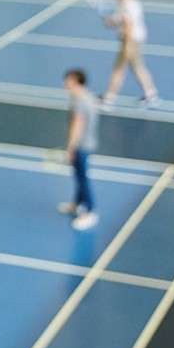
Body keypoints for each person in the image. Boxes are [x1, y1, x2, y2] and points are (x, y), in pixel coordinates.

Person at [101, 0, 159, 109]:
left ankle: (109, 99)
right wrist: (109, 21)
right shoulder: (131, 3)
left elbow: (128, 25)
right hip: (136, 39)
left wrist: (127, 45)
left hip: (130, 40)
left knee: (118, 69)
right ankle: (151, 95)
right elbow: (118, 20)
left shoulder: (126, 5)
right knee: (137, 67)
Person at [58, 69, 100, 231]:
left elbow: (77, 126)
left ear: (76, 80)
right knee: (78, 176)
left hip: (81, 146)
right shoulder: (88, 96)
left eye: (67, 80)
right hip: (89, 143)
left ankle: (90, 211)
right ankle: (77, 204)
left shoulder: (78, 101)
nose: (64, 83)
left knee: (82, 178)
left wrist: (70, 148)